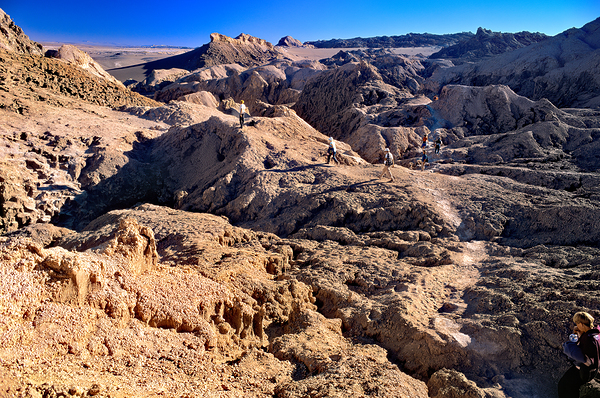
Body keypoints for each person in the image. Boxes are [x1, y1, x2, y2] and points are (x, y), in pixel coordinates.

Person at [558, 311, 600, 398]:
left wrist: (585, 360)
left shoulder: (588, 339)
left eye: (577, 323)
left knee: (565, 386)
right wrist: (580, 336)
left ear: (581, 324)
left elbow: (579, 354)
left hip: (584, 372)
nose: (576, 325)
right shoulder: (595, 333)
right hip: (594, 370)